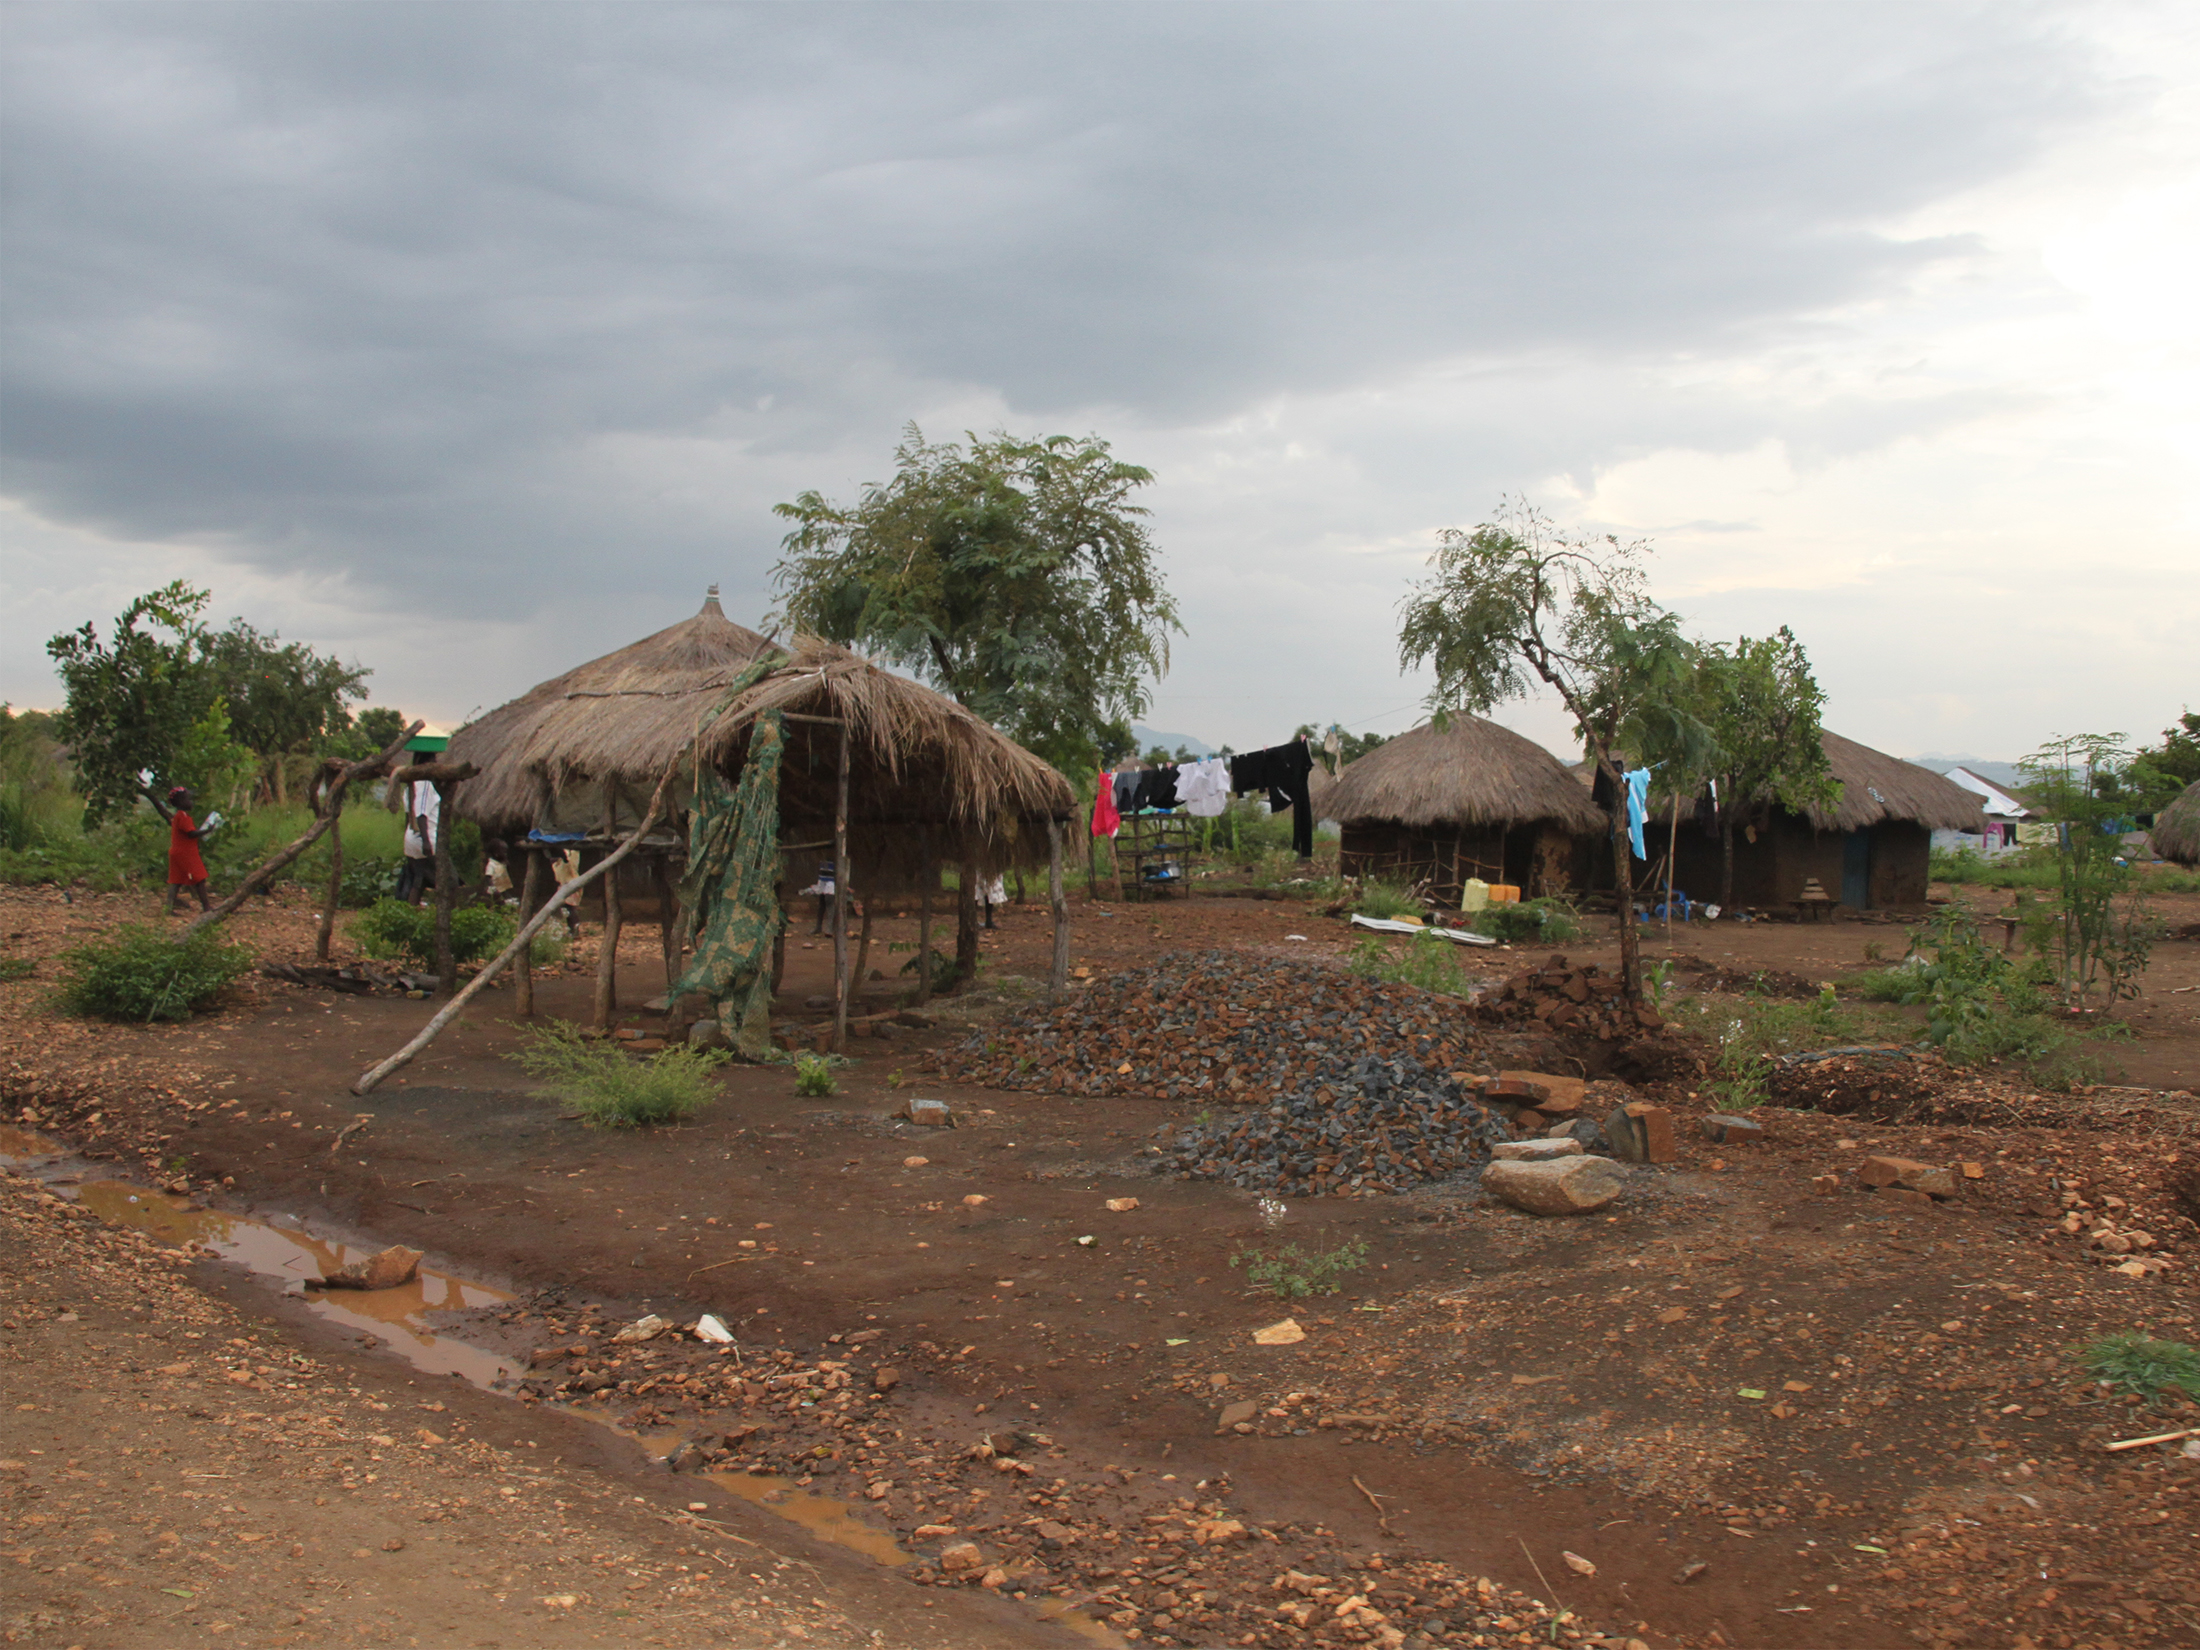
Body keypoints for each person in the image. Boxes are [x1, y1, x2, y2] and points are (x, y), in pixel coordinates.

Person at [157, 786, 213, 914]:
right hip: (186, 853)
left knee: (176, 881)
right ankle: (207, 907)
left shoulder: (178, 816)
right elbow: (191, 834)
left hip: (176, 852)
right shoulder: (183, 817)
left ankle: (168, 908)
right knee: (199, 879)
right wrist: (207, 830)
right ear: (181, 801)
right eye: (188, 799)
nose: (191, 802)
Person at [396, 776, 440, 906]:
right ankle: (446, 916)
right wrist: (426, 841)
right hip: (425, 838)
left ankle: (411, 911)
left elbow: (408, 815)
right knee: (449, 881)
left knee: (419, 879)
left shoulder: (410, 786)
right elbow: (421, 814)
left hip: (412, 837)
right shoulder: (425, 785)